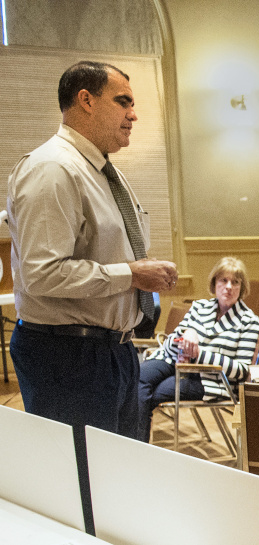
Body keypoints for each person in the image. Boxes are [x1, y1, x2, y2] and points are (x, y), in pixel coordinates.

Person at [7, 61, 178, 439]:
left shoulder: (101, 171)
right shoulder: (52, 169)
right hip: (69, 356)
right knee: (83, 481)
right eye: (123, 102)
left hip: (113, 350)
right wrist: (132, 275)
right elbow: (42, 274)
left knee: (116, 477)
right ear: (85, 100)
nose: (133, 115)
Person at [137, 258, 259, 442]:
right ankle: (132, 444)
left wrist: (199, 354)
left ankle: (138, 447)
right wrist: (187, 334)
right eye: (223, 280)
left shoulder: (250, 322)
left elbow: (242, 371)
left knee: (152, 394)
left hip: (211, 379)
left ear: (242, 288)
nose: (228, 287)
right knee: (138, 379)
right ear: (214, 283)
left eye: (235, 282)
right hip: (174, 360)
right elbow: (171, 340)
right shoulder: (199, 307)